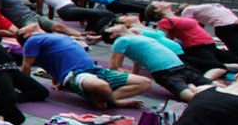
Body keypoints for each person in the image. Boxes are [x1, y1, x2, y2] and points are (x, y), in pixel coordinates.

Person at [19, 27, 151, 108]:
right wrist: (27, 89)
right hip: (75, 74)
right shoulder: (32, 41)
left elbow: (52, 61)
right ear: (26, 35)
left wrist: (55, 81)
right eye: (23, 28)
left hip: (95, 69)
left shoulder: (49, 37)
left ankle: (105, 98)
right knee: (101, 86)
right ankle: (113, 101)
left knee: (145, 83)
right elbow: (26, 67)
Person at [104, 25, 209, 100]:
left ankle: (201, 91)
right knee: (189, 95)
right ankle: (206, 99)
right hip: (166, 72)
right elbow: (114, 65)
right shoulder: (121, 41)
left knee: (212, 85)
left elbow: (137, 62)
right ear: (112, 35)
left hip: (181, 66)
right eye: (111, 27)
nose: (114, 24)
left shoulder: (137, 37)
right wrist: (126, 77)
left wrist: (134, 75)